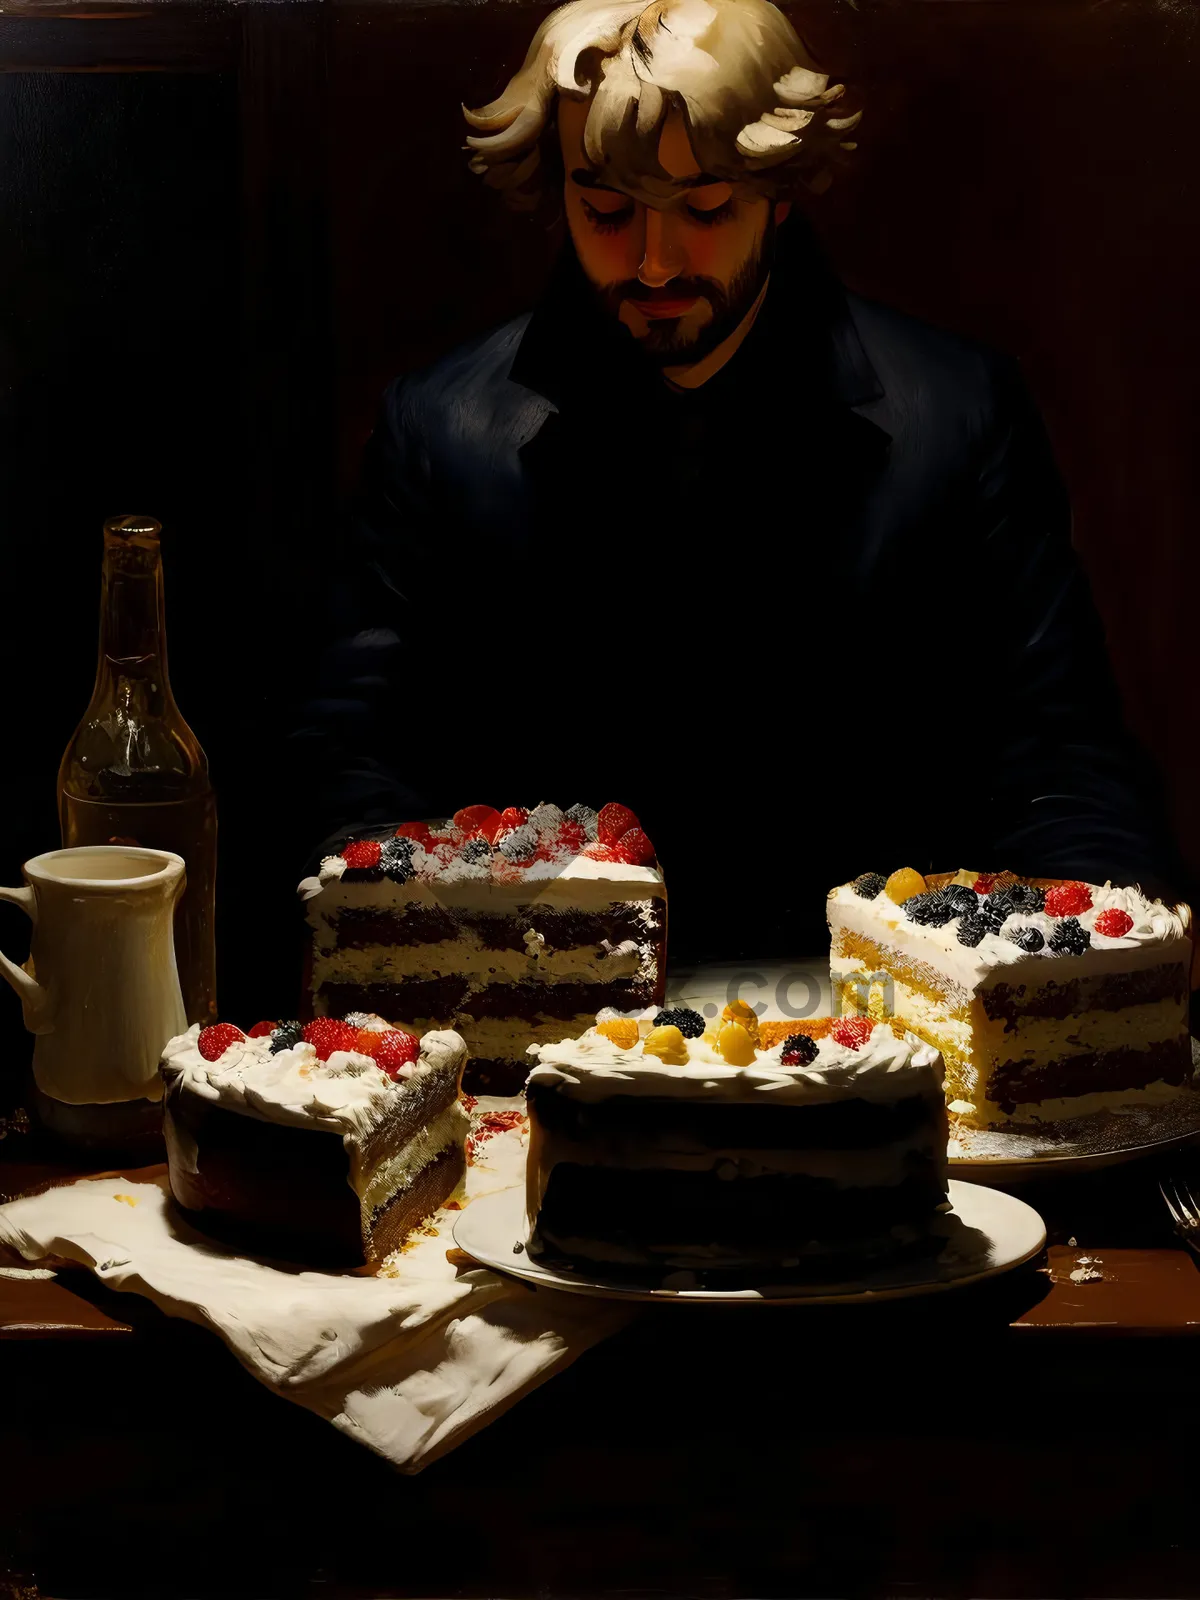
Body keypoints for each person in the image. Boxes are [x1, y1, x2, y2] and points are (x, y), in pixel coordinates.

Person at [294, 0, 1182, 959]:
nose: (654, 259)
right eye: (605, 210)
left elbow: (1059, 757)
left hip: (876, 1039)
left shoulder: (959, 415)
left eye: (707, 207)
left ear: (781, 190)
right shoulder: (439, 429)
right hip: (541, 1040)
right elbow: (353, 774)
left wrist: (1103, 973)